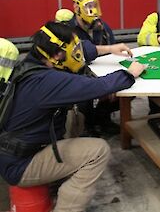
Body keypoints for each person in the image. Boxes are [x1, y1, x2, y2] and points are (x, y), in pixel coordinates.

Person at [0, 21, 145, 212]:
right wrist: (130, 74)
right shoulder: (48, 81)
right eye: (72, 49)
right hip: (21, 164)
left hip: (19, 147)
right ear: (58, 55)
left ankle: (59, 175)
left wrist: (110, 48)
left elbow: (83, 49)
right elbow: (98, 87)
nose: (78, 53)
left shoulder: (32, 64)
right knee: (98, 151)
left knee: (76, 118)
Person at [67, 0, 131, 136]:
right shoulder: (67, 29)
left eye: (94, 5)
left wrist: (112, 82)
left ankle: (103, 119)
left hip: (101, 73)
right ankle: (87, 125)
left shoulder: (102, 28)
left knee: (126, 88)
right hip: (78, 76)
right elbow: (81, 52)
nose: (93, 10)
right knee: (84, 93)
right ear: (76, 7)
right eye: (88, 6)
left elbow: (112, 56)